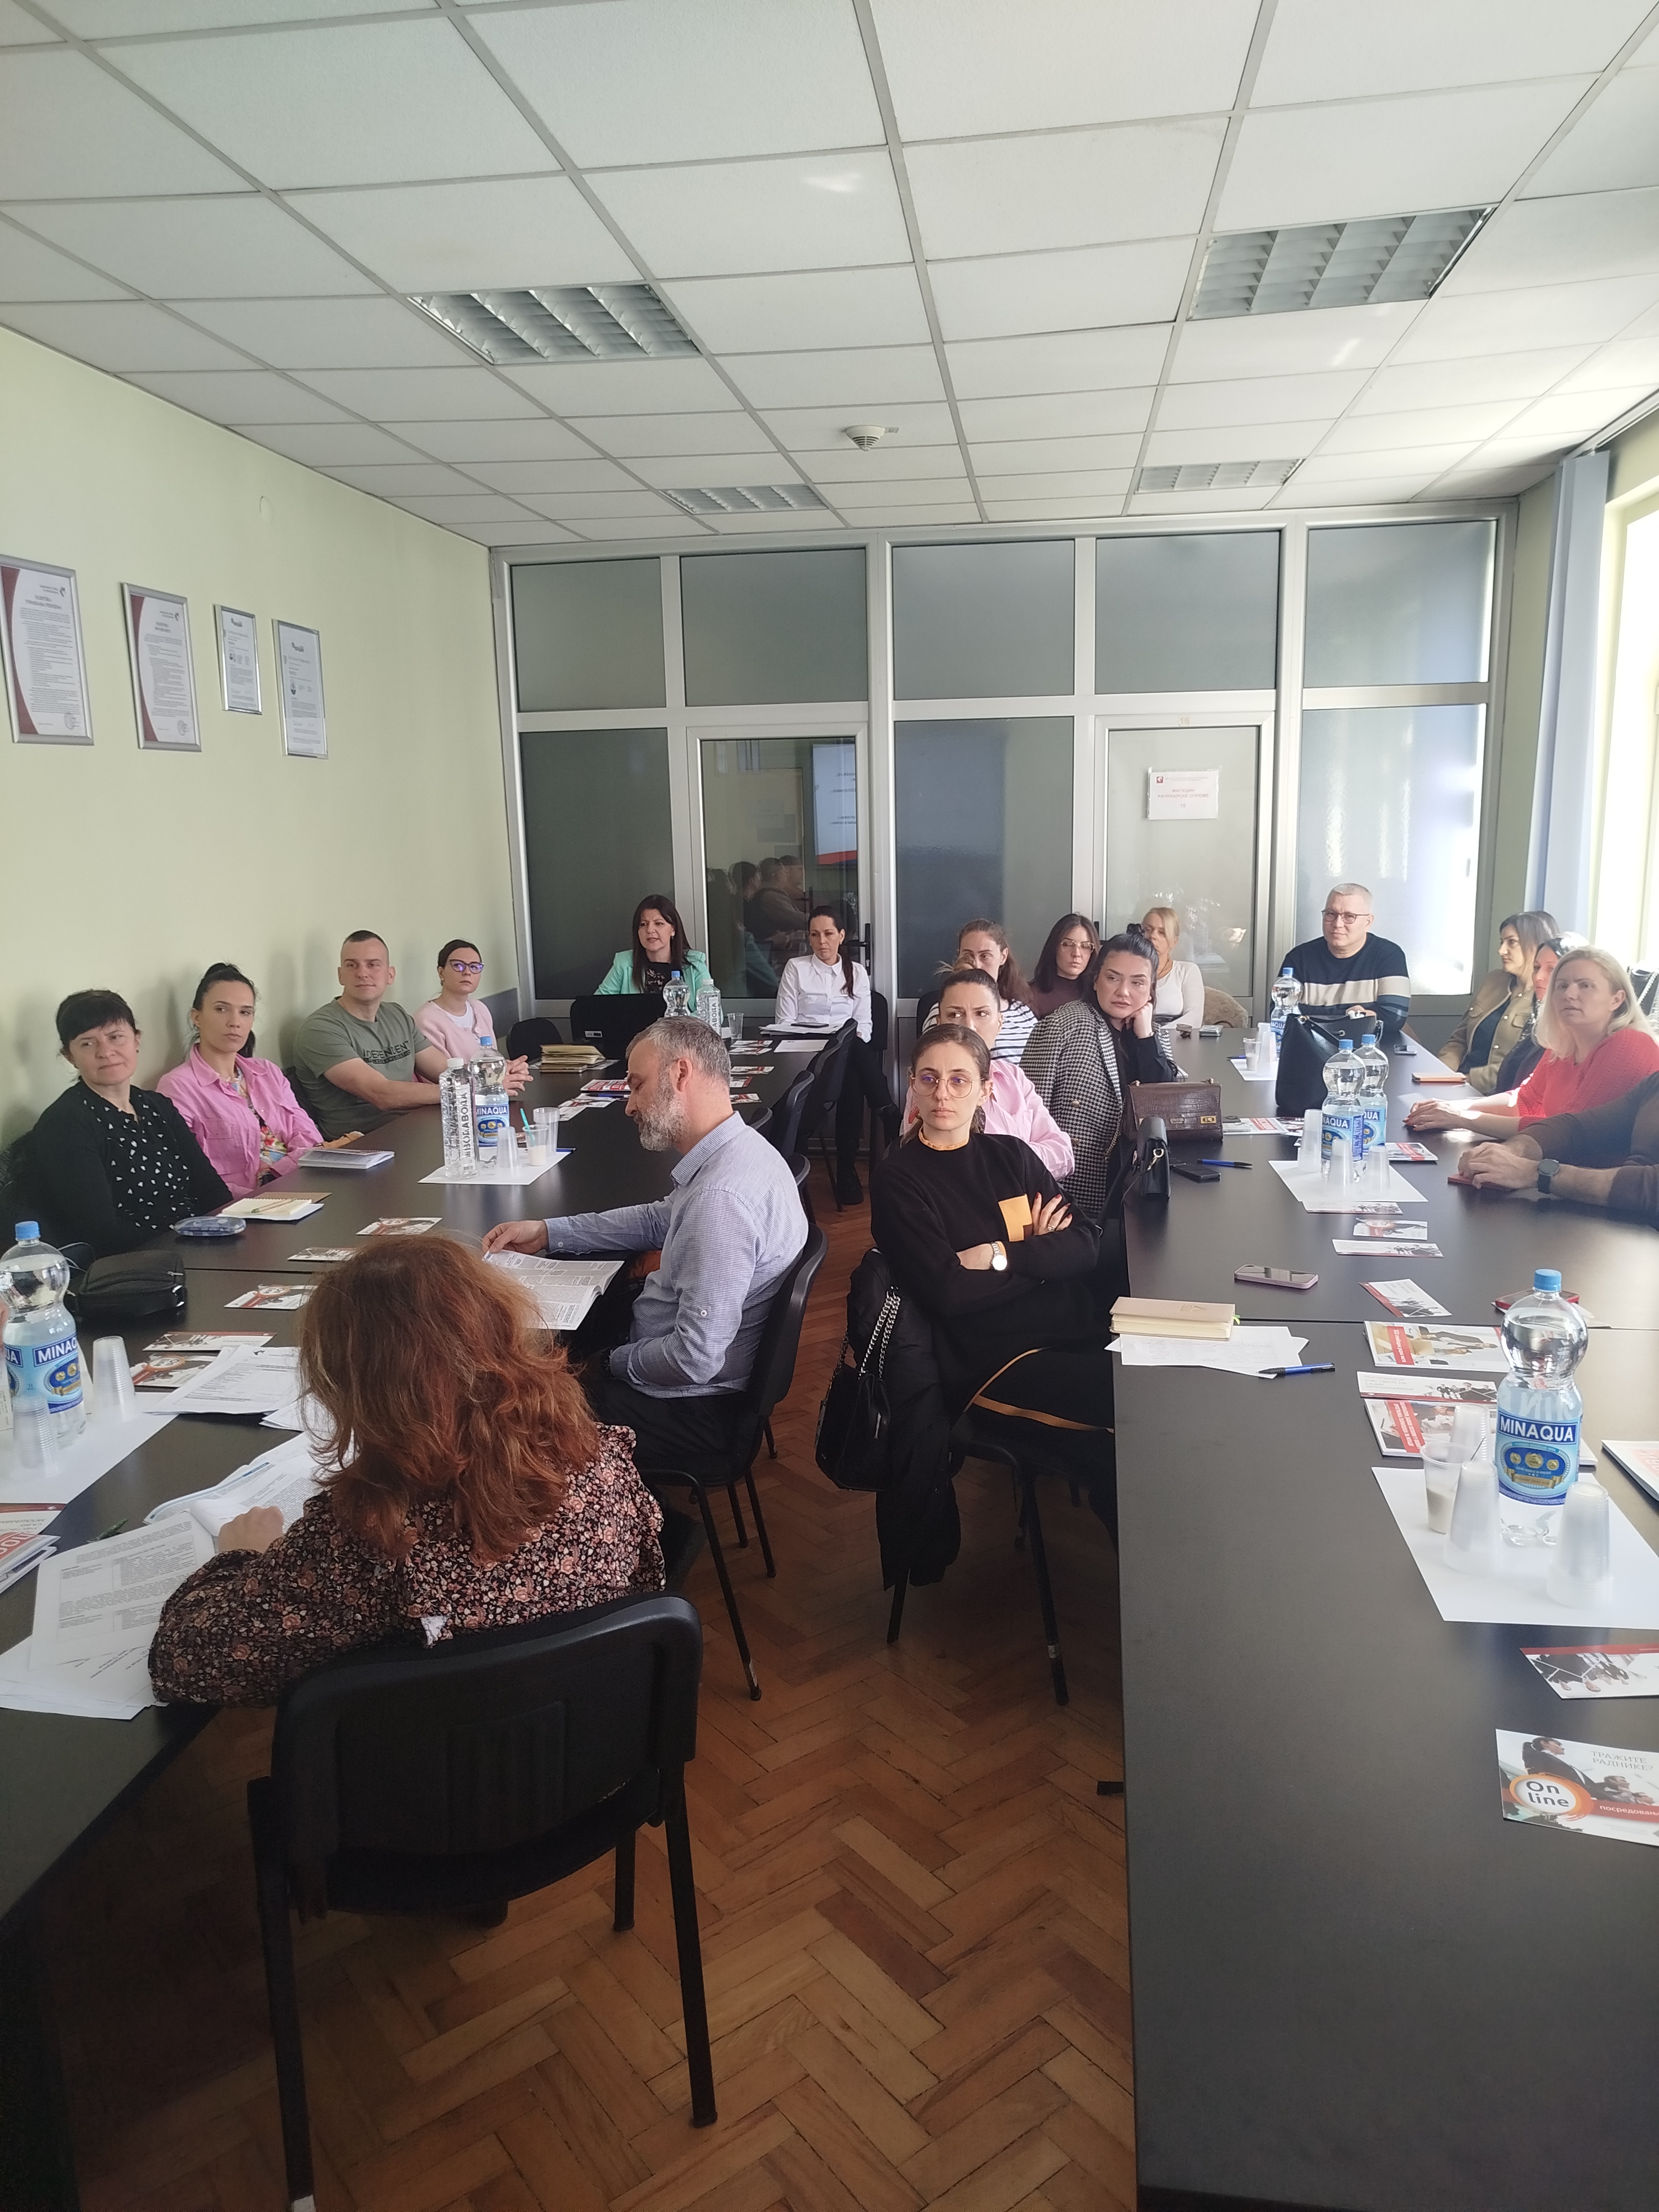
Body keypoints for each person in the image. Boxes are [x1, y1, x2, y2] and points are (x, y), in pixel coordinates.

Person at [148, 1238, 664, 1706]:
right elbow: (644, 1581)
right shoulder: (596, 1456)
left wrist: (239, 1554)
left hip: (440, 1769)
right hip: (597, 1732)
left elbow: (181, 1663)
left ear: (357, 1387)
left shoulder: (371, 1537)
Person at [483, 1018, 805, 1468]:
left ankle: (631, 1509)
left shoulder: (720, 1202)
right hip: (690, 1371)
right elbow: (658, 1218)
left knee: (511, 1417)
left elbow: (694, 1360)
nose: (630, 1106)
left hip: (691, 1405)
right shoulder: (741, 1150)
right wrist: (548, 1232)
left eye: (637, 1085)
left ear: (680, 1074)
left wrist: (610, 1362)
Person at [870, 1025, 1117, 1535]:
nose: (942, 1093)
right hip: (994, 1363)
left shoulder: (1013, 1156)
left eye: (959, 1080)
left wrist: (998, 1255)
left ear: (986, 1089)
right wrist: (1040, 1261)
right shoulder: (899, 1179)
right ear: (912, 1085)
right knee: (1135, 1417)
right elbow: (949, 1292)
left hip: (1074, 1331)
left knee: (1164, 1392)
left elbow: (1085, 1246)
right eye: (929, 1078)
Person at [24, 989, 231, 1255]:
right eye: (88, 1043)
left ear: (136, 1040)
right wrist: (188, 1247)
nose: (106, 1052)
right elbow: (102, 1233)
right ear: (70, 1056)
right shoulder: (65, 1124)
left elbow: (211, 1189)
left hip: (200, 1243)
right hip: (140, 1261)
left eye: (115, 1037)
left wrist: (227, 1232)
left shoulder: (157, 1105)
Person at [1408, 948, 1658, 1140]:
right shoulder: (1564, 1043)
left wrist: (1462, 1118)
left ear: (1617, 999)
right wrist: (1452, 1107)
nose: (1569, 994)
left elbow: (1565, 1131)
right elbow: (1526, 1101)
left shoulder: (1630, 1044)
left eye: (1585, 986)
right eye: (1562, 986)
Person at [1021, 933, 1177, 1223]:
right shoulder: (1063, 1026)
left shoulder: (1153, 1032)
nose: (1124, 992)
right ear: (1095, 980)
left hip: (1139, 1181)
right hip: (1072, 1191)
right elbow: (1025, 1118)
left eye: (1138, 983)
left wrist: (1146, 1038)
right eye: (1113, 978)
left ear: (1151, 990)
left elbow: (1166, 1106)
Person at [155, 964, 321, 1199]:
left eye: (245, 1012)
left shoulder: (267, 1072)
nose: (235, 1022)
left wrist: (282, 1175)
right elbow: (191, 1172)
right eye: (221, 1009)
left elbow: (309, 1135)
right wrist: (263, 1197)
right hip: (242, 1204)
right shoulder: (178, 1087)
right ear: (197, 1017)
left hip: (303, 1184)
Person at [774, 906, 898, 1204]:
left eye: (829, 934)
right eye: (815, 935)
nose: (822, 941)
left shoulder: (856, 972)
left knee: (851, 1061)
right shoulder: (796, 968)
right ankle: (884, 1110)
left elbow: (864, 1026)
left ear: (841, 936)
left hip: (846, 1056)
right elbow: (784, 1023)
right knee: (850, 1056)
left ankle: (846, 1170)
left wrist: (843, 1042)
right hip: (807, 1057)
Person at [902, 969, 1073, 1178]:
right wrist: (1021, 1163)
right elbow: (924, 1163)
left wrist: (1005, 1160)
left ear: (999, 1023)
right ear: (939, 1023)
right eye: (955, 1014)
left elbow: (1062, 1154)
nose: (969, 1026)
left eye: (981, 1014)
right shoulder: (929, 1084)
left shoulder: (1014, 1079)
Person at [294, 932, 461, 1141]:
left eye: (373, 964)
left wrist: (487, 1080)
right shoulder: (320, 1028)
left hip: (413, 1129)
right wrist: (462, 1090)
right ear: (340, 975)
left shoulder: (397, 1015)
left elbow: (447, 1072)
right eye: (352, 965)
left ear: (390, 975)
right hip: (362, 1145)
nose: (363, 973)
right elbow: (382, 1094)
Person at [1456, 1068, 1659, 1220]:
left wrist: (1535, 1172)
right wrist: (1514, 1150)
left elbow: (1651, 1188)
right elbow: (1577, 1128)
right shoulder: (1654, 1084)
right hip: (1626, 1224)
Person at [1436, 910, 1560, 1093]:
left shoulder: (1550, 1000)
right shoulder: (1494, 980)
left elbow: (1520, 1067)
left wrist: (1464, 1081)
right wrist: (1440, 1074)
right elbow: (1459, 1040)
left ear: (1537, 945)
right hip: (1457, 1083)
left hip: (1498, 1094)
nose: (1501, 951)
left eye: (1512, 942)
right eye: (1502, 942)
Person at [1279, 882, 1410, 1030]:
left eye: (1349, 917)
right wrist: (1353, 1016)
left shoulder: (1389, 956)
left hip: (1367, 1043)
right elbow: (1280, 1013)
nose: (1337, 924)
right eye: (1331, 914)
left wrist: (1310, 1015)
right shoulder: (1299, 958)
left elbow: (1393, 1018)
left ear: (1368, 922)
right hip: (1309, 1042)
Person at [415, 938, 529, 1086]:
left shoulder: (480, 1008)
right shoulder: (426, 1020)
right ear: (441, 972)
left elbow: (491, 1064)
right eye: (458, 966)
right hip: (453, 1097)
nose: (467, 972)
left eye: (475, 967)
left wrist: (510, 1069)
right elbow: (442, 1078)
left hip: (490, 1092)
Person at [924, 921, 1037, 1061]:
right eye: (968, 956)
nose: (977, 964)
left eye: (985, 956)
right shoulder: (946, 1009)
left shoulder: (1022, 1011)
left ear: (1003, 956)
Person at [594, 895, 713, 1010]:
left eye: (659, 923)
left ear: (673, 930)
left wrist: (674, 1019)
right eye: (644, 924)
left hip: (681, 1024)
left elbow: (712, 1013)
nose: (650, 930)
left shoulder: (694, 963)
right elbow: (597, 1007)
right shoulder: (624, 963)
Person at [1138, 907, 1206, 1030]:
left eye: (1162, 933)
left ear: (1174, 941)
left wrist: (1154, 1035)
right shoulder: (1128, 973)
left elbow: (1194, 1018)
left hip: (1176, 1038)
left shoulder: (1187, 971)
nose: (1152, 936)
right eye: (1148, 930)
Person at [1026, 915, 1100, 1020]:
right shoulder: (1031, 995)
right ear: (1054, 947)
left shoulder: (1099, 994)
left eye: (1085, 946)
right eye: (1068, 944)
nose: (1076, 954)